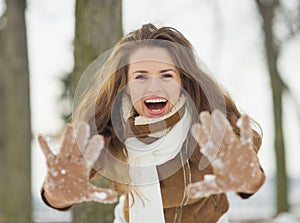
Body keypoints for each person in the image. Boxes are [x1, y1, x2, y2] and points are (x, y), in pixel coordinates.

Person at [38, 23, 265, 223]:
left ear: (182, 81)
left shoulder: (207, 122)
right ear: (124, 84)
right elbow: (59, 194)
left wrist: (248, 178)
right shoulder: (110, 129)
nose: (154, 88)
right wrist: (57, 191)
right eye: (141, 76)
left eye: (166, 75)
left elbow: (248, 178)